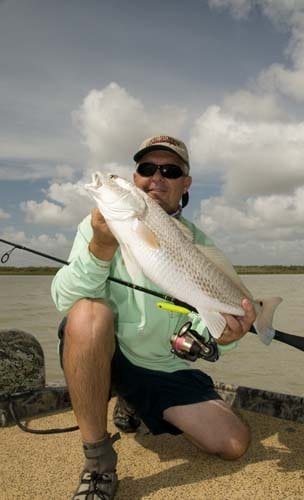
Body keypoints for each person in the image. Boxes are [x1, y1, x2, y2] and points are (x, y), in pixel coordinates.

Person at [51, 135, 256, 499]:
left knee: (232, 443)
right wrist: (100, 246)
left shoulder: (201, 244)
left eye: (170, 170)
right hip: (109, 357)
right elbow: (62, 297)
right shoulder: (95, 226)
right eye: (147, 169)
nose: (156, 177)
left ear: (185, 183)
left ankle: (133, 401)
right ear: (135, 179)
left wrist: (228, 334)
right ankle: (98, 460)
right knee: (87, 314)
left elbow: (204, 326)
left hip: (164, 366)